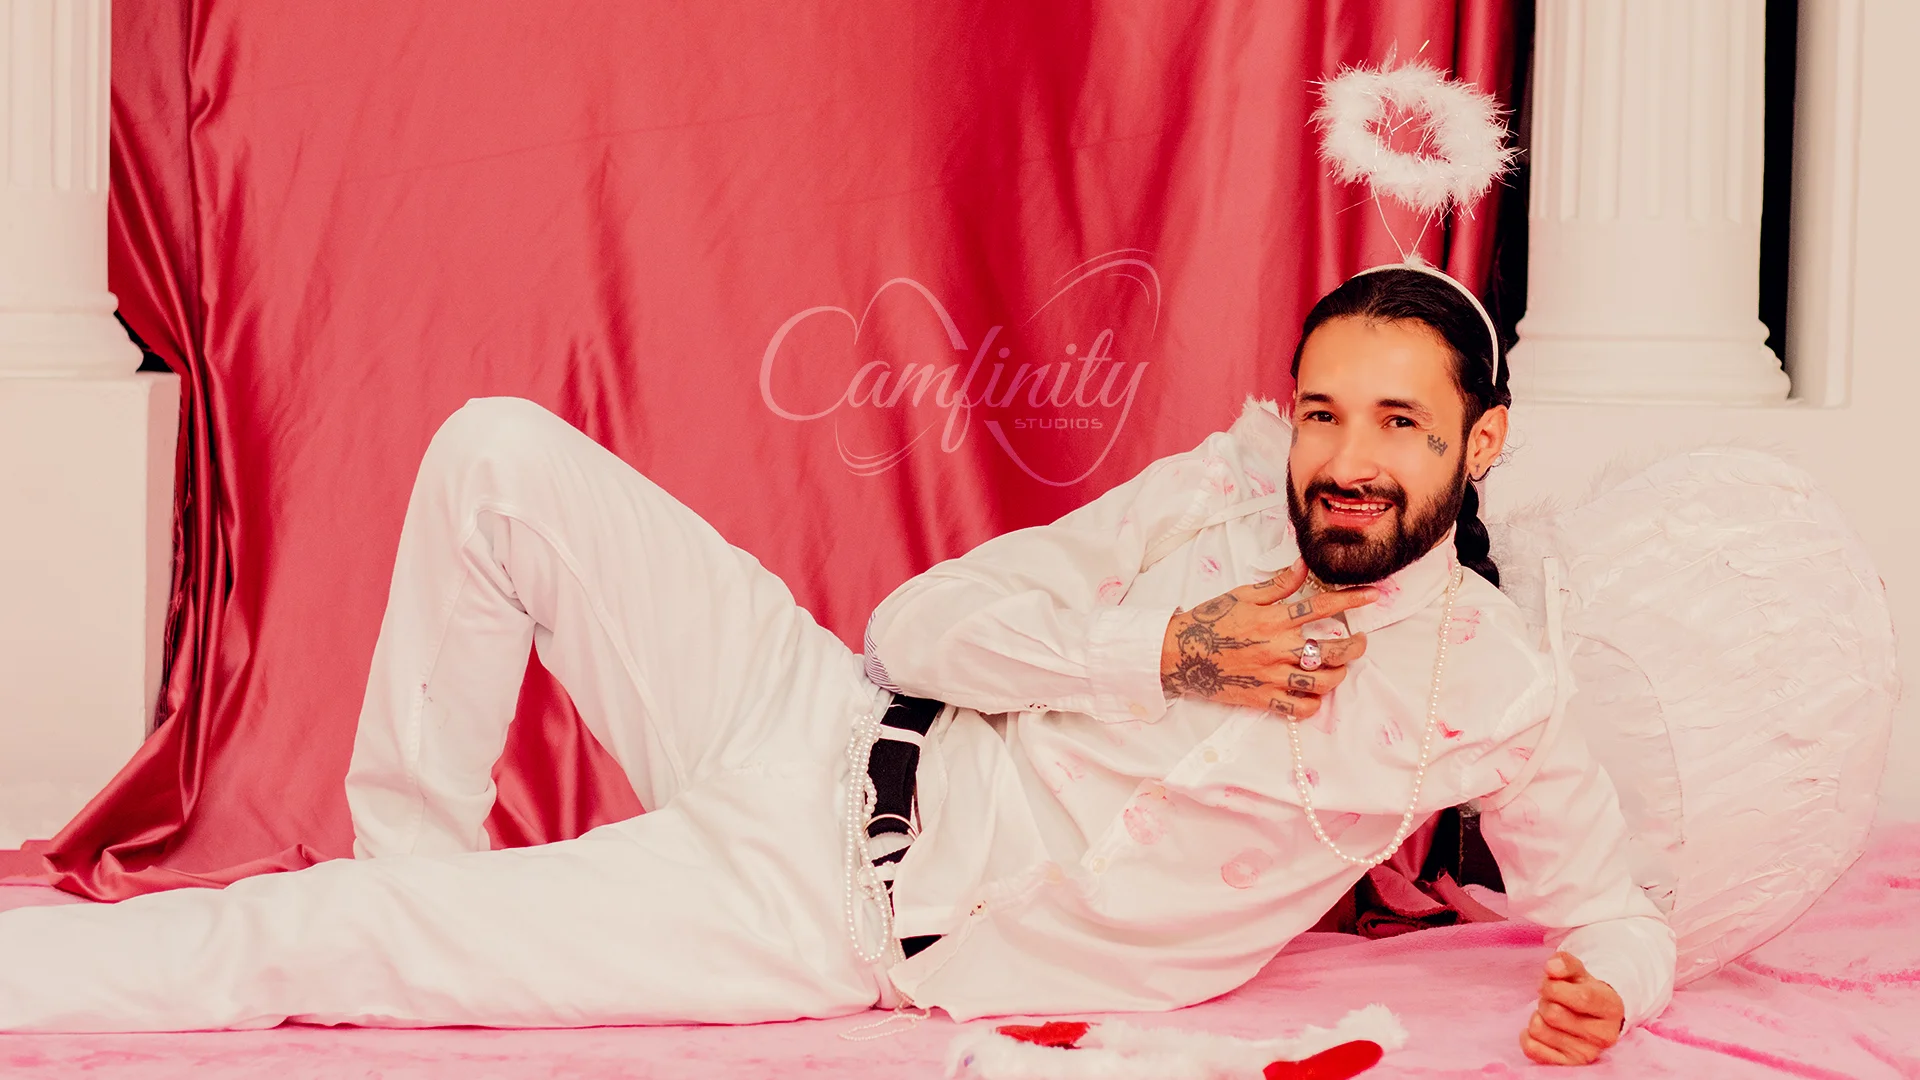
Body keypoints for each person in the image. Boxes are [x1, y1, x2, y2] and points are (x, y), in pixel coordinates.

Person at [0, 267, 1672, 1066]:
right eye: (1324, 413)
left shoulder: (1488, 692)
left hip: (831, 906)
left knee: (303, 935)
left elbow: (1612, 910)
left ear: (1480, 441)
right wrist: (1163, 652)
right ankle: (419, 876)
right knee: (497, 450)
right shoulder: (1213, 499)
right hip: (816, 714)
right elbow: (914, 630)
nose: (1348, 461)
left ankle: (336, 932)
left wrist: (1615, 986)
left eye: (1400, 424)